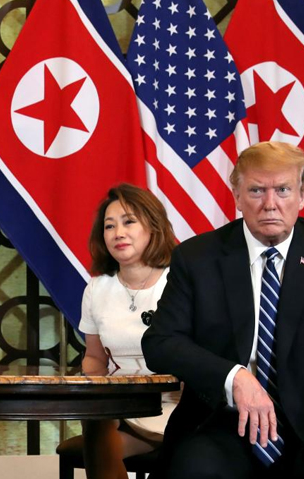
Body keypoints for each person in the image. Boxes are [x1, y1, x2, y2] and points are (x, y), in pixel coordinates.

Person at [141, 142, 304, 479]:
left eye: (283, 190)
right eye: (256, 190)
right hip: (223, 427)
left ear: (302, 195)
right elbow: (161, 342)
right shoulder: (197, 258)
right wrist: (233, 376)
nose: (270, 204)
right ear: (236, 195)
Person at [78, 183, 179, 479]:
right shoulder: (97, 288)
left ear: (153, 226)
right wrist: (91, 392)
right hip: (119, 408)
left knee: (99, 431)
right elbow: (94, 358)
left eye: (129, 222)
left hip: (176, 405)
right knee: (96, 422)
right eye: (109, 226)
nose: (118, 233)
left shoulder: (180, 280)